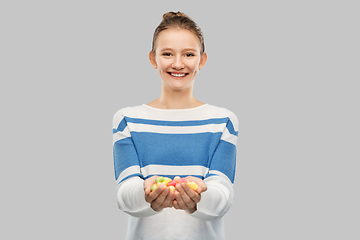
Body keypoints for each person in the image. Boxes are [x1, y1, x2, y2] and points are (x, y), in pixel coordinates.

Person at [112, 11, 238, 240]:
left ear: (202, 60)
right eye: (167, 53)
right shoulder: (127, 119)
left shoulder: (223, 121)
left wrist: (199, 197)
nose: (178, 64)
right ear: (153, 59)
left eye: (188, 54)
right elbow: (124, 195)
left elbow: (223, 196)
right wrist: (145, 194)